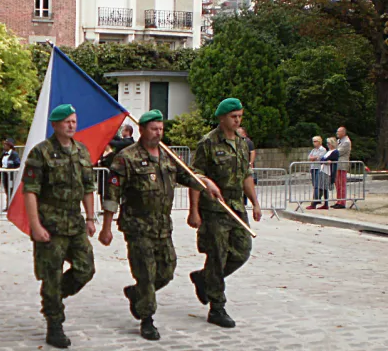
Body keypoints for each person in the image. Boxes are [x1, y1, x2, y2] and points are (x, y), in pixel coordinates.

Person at [99, 110, 222, 341]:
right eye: (154, 129)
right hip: (137, 226)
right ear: (142, 130)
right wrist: (106, 227)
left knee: (166, 270)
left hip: (163, 226)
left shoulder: (168, 156)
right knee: (146, 273)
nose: (158, 133)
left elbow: (189, 176)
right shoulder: (127, 158)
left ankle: (137, 294)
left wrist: (207, 183)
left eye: (161, 129)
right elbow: (111, 195)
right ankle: (146, 319)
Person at [22, 104, 97, 349]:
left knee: (86, 269)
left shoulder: (82, 151)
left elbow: (88, 188)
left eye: (74, 121)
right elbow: (30, 191)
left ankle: (53, 296)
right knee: (51, 275)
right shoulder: (41, 153)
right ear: (55, 125)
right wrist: (35, 225)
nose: (71, 125)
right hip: (50, 223)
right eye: (66, 121)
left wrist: (90, 217)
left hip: (74, 221)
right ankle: (54, 323)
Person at [188, 98, 262, 329]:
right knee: (217, 257)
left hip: (236, 208)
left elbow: (246, 176)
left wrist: (255, 203)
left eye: (240, 116)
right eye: (233, 116)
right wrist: (193, 211)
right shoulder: (207, 143)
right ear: (222, 118)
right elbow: (195, 177)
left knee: (242, 251)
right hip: (214, 210)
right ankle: (217, 307)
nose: (237, 120)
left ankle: (204, 278)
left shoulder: (241, 143)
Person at [317, 137, 340, 210]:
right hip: (324, 169)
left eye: (328, 143)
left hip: (329, 171)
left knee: (325, 187)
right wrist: (325, 161)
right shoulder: (328, 151)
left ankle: (325, 203)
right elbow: (322, 160)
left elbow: (326, 159)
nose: (327, 145)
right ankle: (322, 201)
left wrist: (325, 160)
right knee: (322, 187)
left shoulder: (335, 152)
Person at [307, 136, 328, 210]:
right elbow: (309, 157)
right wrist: (314, 157)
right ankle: (316, 200)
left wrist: (314, 158)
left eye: (315, 141)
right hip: (313, 168)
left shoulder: (323, 149)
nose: (314, 143)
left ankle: (315, 201)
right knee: (314, 185)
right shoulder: (313, 150)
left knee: (317, 185)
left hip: (319, 168)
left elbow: (320, 158)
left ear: (319, 142)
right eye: (313, 141)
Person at [333, 126, 351, 209]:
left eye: (338, 132)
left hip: (342, 165)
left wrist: (331, 153)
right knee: (337, 184)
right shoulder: (338, 141)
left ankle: (342, 202)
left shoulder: (346, 142)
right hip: (337, 165)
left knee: (342, 184)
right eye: (337, 131)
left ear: (343, 132)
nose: (337, 133)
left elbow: (338, 152)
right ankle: (338, 200)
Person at [237, 127, 256, 205]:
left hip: (246, 167)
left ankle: (245, 201)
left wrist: (250, 163)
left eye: (239, 132)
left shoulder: (248, 142)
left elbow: (252, 152)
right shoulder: (237, 141)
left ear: (244, 133)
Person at [1, 138, 21, 204]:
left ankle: (11, 204)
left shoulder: (14, 154)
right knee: (6, 189)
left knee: (11, 189)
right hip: (4, 173)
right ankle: (7, 204)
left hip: (11, 175)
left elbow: (18, 163)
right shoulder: (4, 153)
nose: (4, 146)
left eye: (5, 145)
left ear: (9, 146)